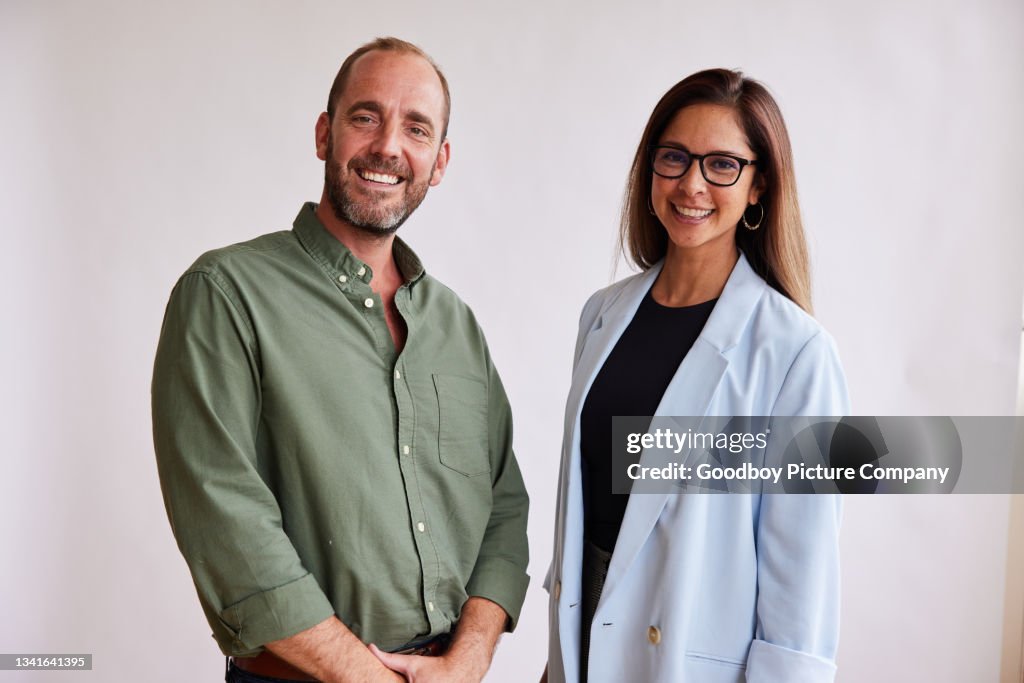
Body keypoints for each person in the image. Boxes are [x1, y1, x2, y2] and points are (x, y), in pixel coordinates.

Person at [152, 37, 529, 683]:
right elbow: (225, 516)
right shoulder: (226, 292)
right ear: (325, 133)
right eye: (365, 116)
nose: (388, 145)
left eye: (416, 127)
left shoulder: (455, 323)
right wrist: (362, 673)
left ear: (438, 162)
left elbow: (504, 505)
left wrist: (467, 660)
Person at [542, 69, 848, 682]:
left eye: (722, 166)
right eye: (674, 158)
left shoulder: (795, 351)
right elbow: (587, 506)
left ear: (759, 184)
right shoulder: (602, 314)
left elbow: (801, 569)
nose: (691, 185)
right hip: (583, 637)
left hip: (686, 654)